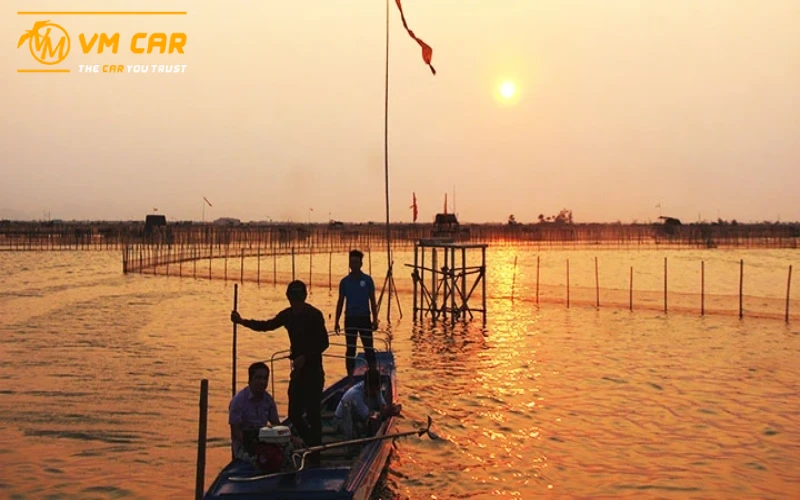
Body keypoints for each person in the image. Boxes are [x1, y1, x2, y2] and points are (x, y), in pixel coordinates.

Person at [231, 280, 329, 451]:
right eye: (293, 300)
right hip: (298, 373)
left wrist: (305, 357)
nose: (296, 303)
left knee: (313, 413)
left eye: (299, 299)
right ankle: (310, 444)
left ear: (305, 297)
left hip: (313, 370)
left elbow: (324, 342)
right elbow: (266, 326)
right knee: (294, 415)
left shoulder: (314, 314)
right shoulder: (287, 315)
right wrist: (242, 321)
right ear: (289, 299)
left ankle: (316, 452)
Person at [335, 249, 379, 380]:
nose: (353, 264)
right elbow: (340, 301)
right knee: (350, 350)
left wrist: (375, 319)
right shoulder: (344, 282)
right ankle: (350, 377)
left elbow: (372, 300)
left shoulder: (367, 280)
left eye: (356, 262)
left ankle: (373, 375)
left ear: (361, 264)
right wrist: (336, 320)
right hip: (350, 318)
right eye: (351, 262)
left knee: (369, 348)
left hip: (364, 318)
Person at [229, 361, 280, 461]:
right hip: (244, 444)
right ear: (250, 380)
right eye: (258, 378)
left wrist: (290, 438)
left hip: (263, 439)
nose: (262, 382)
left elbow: (276, 424)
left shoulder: (268, 400)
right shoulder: (239, 401)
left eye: (265, 378)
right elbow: (235, 431)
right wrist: (252, 445)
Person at [333, 368, 401, 440]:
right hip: (341, 421)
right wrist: (384, 413)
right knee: (368, 424)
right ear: (367, 386)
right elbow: (368, 415)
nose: (376, 392)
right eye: (373, 390)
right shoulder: (355, 394)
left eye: (378, 389)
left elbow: (382, 405)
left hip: (356, 417)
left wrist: (390, 409)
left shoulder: (376, 389)